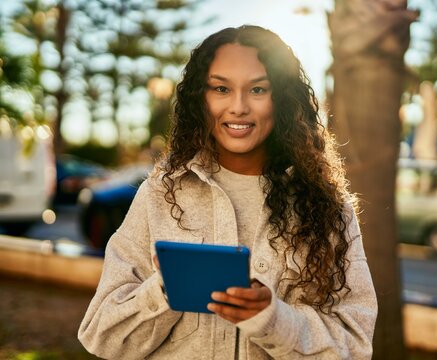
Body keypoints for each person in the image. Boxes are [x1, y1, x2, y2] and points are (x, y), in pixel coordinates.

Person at [78, 25, 377, 359]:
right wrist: (165, 288)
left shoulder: (327, 207)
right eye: (221, 88)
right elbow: (101, 335)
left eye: (258, 90)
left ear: (282, 98)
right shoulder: (160, 194)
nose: (238, 107)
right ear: (200, 98)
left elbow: (355, 345)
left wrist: (271, 319)